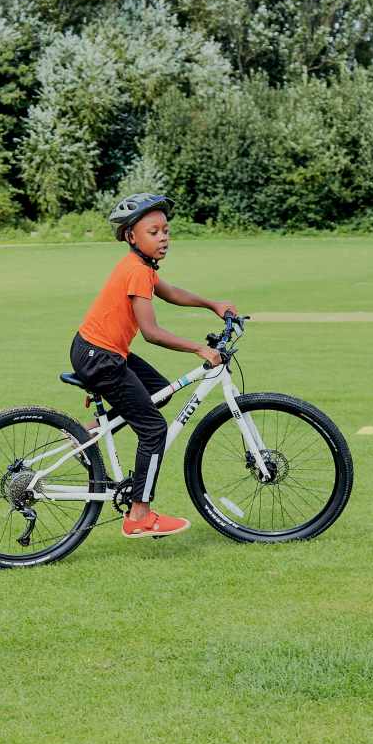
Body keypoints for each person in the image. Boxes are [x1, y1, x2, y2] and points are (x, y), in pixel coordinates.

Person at [70, 193, 236, 539]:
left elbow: (171, 292)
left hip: (98, 351)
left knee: (159, 392)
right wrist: (198, 349)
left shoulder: (141, 268)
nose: (163, 238)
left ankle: (87, 433)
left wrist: (212, 304)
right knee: (154, 429)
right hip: (100, 356)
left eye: (165, 231)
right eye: (153, 232)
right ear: (132, 237)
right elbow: (151, 333)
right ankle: (139, 516)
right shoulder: (136, 271)